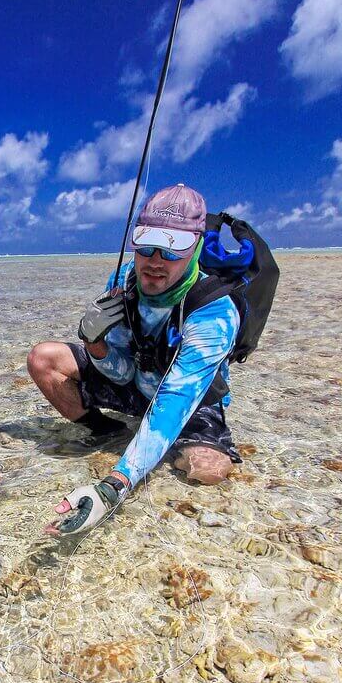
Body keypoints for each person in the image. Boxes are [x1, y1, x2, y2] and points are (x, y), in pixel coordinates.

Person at [27, 183, 241, 536]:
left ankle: (155, 447)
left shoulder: (214, 314)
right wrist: (94, 343)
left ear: (196, 248)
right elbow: (123, 373)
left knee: (208, 471)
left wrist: (114, 485)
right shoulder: (123, 281)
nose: (155, 262)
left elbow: (175, 400)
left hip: (188, 401)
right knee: (43, 358)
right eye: (147, 246)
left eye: (173, 250)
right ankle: (109, 431)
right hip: (136, 384)